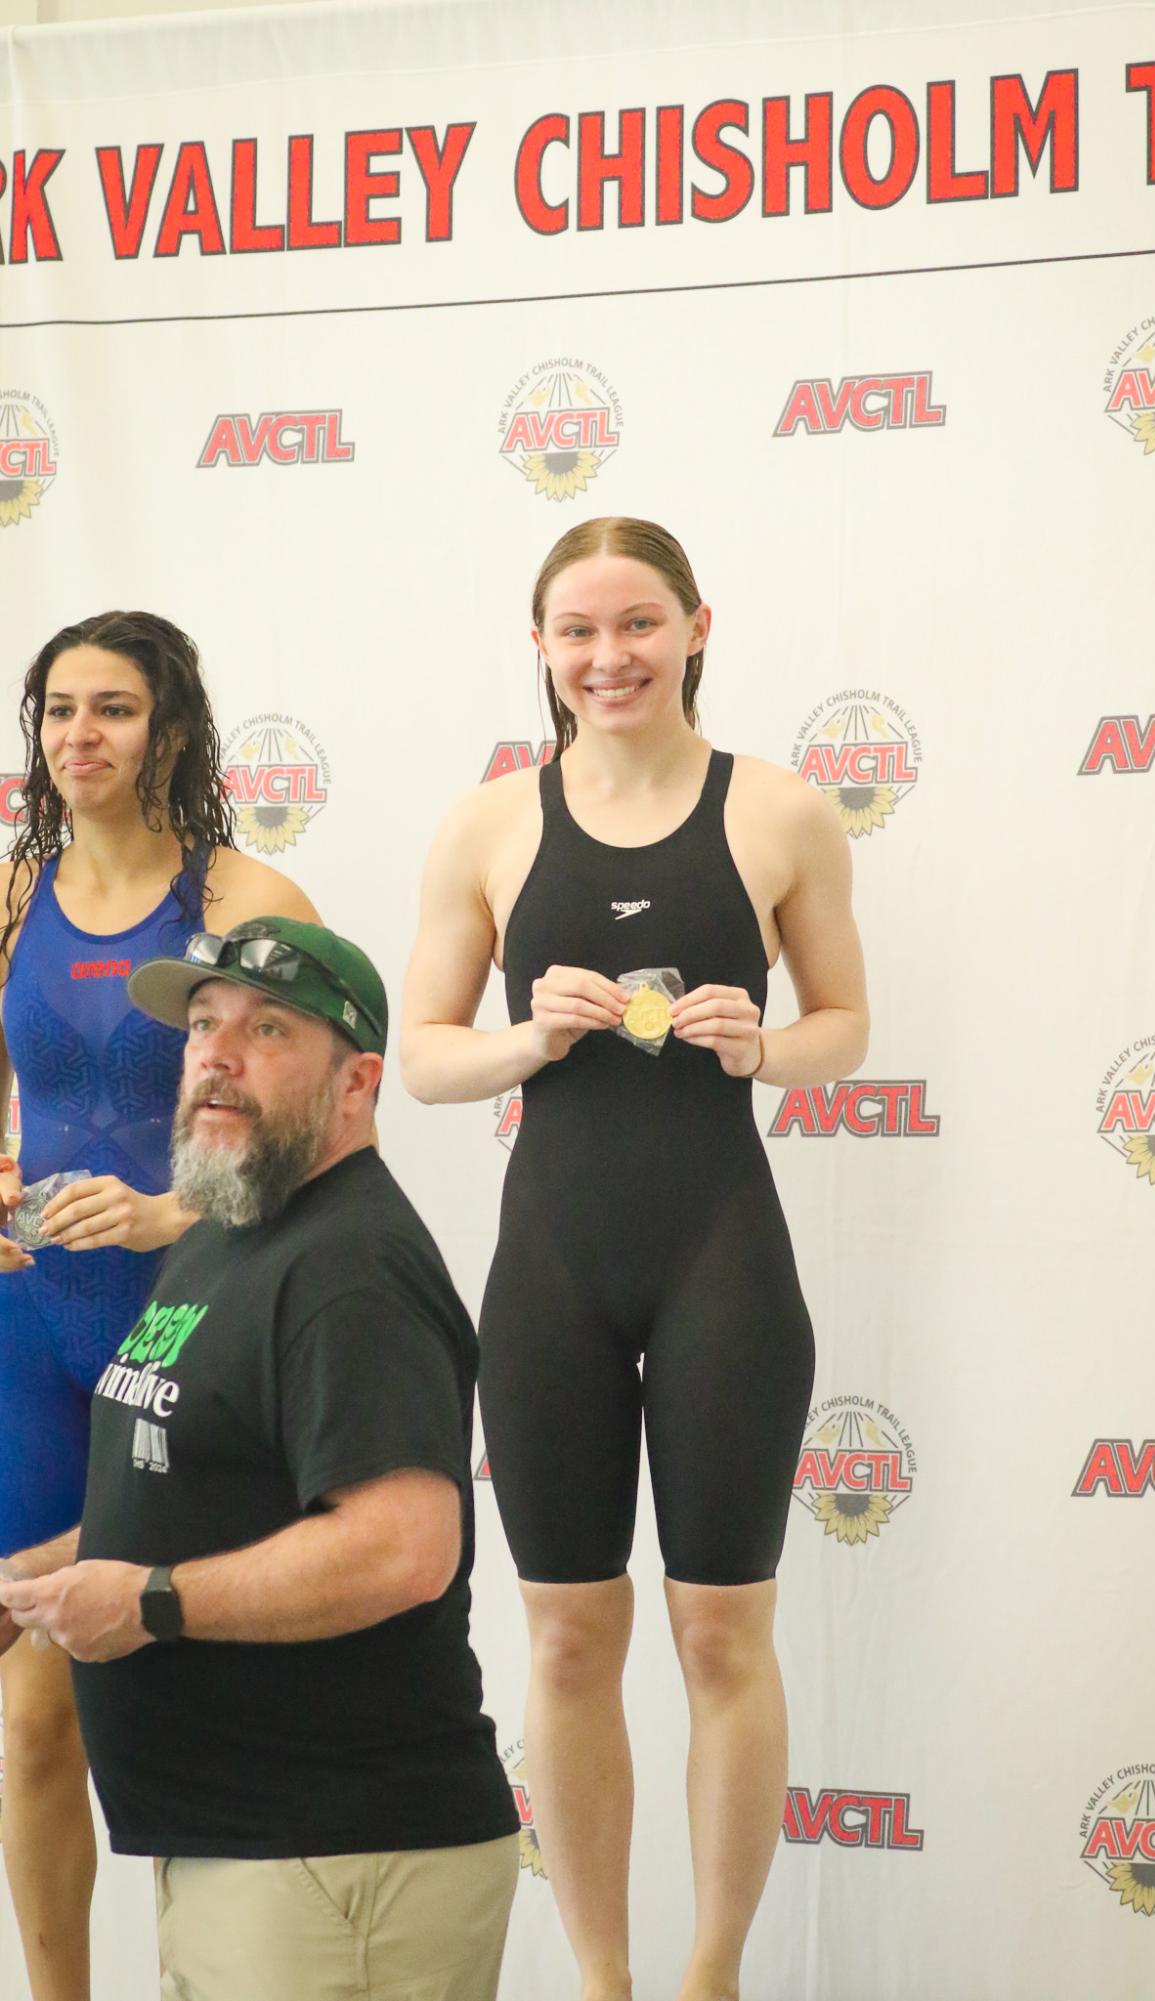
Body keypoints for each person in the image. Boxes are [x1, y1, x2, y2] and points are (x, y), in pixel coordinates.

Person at [400, 518, 869, 2001]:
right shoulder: (489, 826)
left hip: (721, 1255)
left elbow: (845, 1025)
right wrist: (532, 1036)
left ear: (694, 627)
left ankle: (709, 1973)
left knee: (722, 1634)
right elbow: (419, 1058)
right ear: (539, 646)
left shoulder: (778, 812)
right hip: (551, 1270)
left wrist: (764, 1044)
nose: (609, 657)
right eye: (577, 631)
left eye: (637, 625)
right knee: (563, 1636)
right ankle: (598, 1977)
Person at [0, 917, 520, 2001]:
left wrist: (147, 1600)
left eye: (268, 1029)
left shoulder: (351, 1266)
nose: (217, 1057)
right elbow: (190, 1499)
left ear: (356, 1082)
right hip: (247, 1855)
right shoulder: (224, 1232)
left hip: (339, 1864)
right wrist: (37, 1584)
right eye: (201, 1027)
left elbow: (402, 1549)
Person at [0, 611, 319, 2001]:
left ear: (171, 729)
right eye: (61, 710)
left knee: (193, 1689)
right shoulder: (11, 891)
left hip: (181, 1324)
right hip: (26, 1335)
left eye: (115, 710)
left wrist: (166, 1213)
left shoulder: (250, 903)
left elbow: (311, 1136)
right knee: (26, 1720)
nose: (83, 737)